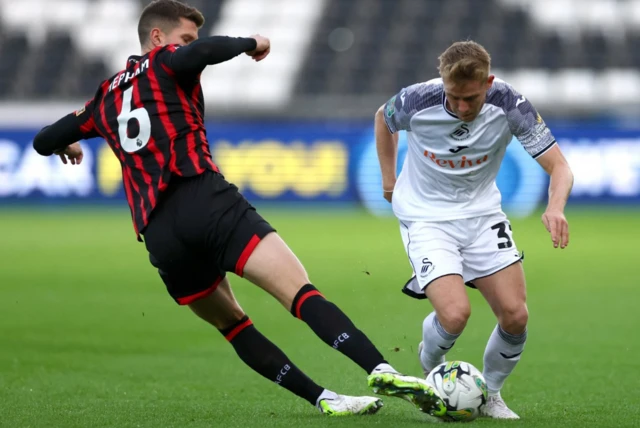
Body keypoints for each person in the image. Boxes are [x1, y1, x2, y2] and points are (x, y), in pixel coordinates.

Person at [32, 0, 447, 419]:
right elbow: (200, 54)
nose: (188, 46)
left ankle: (324, 399)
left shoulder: (104, 97)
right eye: (183, 37)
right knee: (300, 293)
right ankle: (380, 368)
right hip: (203, 198)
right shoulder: (163, 62)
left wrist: (66, 144)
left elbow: (44, 138)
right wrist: (252, 42)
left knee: (233, 324)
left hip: (158, 232)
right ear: (157, 38)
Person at [374, 40, 574, 419]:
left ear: (488, 83)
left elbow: (560, 167)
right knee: (454, 316)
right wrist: (388, 180)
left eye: (470, 98)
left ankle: (490, 394)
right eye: (454, 97)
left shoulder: (511, 105)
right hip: (426, 217)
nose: (462, 108)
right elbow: (383, 119)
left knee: (515, 316)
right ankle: (431, 367)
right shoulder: (417, 100)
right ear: (442, 82)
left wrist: (555, 207)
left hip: (483, 216)